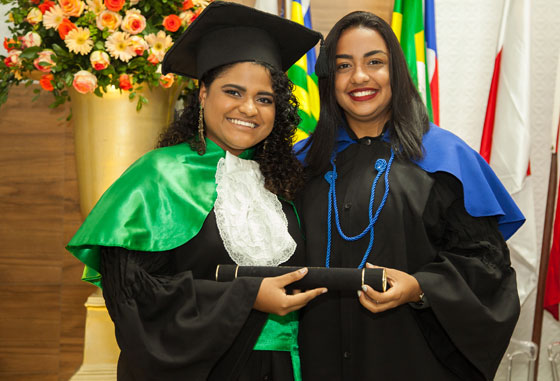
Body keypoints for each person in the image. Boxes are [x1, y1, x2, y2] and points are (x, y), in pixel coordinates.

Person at [66, 2, 326, 380]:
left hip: (283, 369)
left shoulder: (283, 184)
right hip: (203, 369)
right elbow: (133, 296)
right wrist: (245, 297)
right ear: (203, 94)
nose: (249, 108)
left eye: (265, 99)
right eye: (233, 92)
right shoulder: (158, 175)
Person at [294, 11, 523, 381]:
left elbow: (487, 267)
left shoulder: (445, 159)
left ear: (396, 72)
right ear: (328, 79)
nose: (360, 77)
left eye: (375, 62)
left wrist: (420, 287)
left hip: (412, 359)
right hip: (315, 359)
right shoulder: (301, 164)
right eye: (343, 65)